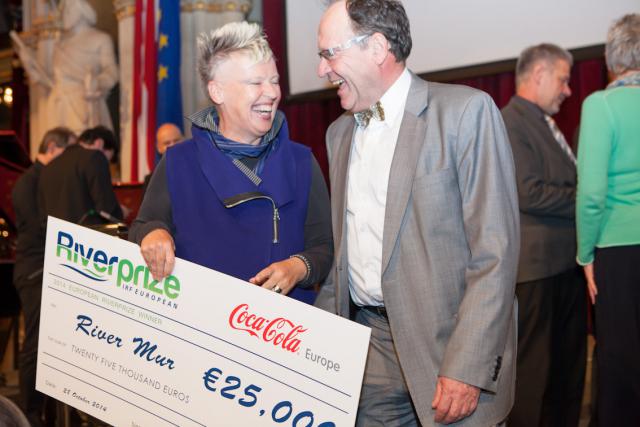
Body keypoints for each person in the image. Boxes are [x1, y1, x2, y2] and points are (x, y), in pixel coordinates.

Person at [314, 1, 520, 425]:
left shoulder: (466, 113)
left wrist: (467, 366)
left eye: (329, 54)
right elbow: (345, 258)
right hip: (370, 351)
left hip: (449, 350)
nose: (322, 71)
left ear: (376, 47)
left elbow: (495, 255)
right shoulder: (338, 135)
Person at [129, 22, 333, 304]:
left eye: (274, 81)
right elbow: (142, 225)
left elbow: (324, 247)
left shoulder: (302, 161)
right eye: (256, 83)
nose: (272, 93)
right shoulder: (178, 162)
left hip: (283, 333)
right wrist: (153, 233)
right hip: (201, 329)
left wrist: (298, 267)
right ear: (217, 92)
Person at [501, 44, 586, 426]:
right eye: (563, 79)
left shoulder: (543, 123)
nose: (568, 90)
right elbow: (527, 191)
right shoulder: (511, 121)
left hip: (564, 267)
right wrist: (587, 198)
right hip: (535, 273)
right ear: (538, 75)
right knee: (535, 379)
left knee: (567, 376)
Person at [576, 13, 640, 425]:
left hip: (618, 252)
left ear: (610, 58)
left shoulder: (600, 104)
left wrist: (585, 255)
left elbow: (592, 192)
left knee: (621, 362)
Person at [12, 127, 75, 427]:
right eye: (68, 153)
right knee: (35, 343)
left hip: (45, 268)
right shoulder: (28, 182)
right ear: (53, 147)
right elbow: (40, 227)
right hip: (34, 269)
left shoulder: (44, 179)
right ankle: (28, 411)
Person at [12, 0, 118, 135]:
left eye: (67, 10)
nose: (63, 15)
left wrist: (96, 83)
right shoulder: (60, 45)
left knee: (84, 149)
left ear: (80, 11)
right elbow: (51, 82)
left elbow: (112, 72)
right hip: (58, 106)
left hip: (83, 105)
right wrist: (29, 64)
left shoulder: (100, 39)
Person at [38, 125, 123, 227]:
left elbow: (43, 217)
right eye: (107, 159)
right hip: (86, 239)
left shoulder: (48, 168)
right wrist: (121, 214)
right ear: (99, 143)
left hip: (57, 239)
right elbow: (107, 208)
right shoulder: (95, 157)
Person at [143, 123, 185, 192]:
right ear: (158, 148)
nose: (173, 146)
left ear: (184, 141)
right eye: (167, 143)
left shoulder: (199, 170)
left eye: (176, 140)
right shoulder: (151, 181)